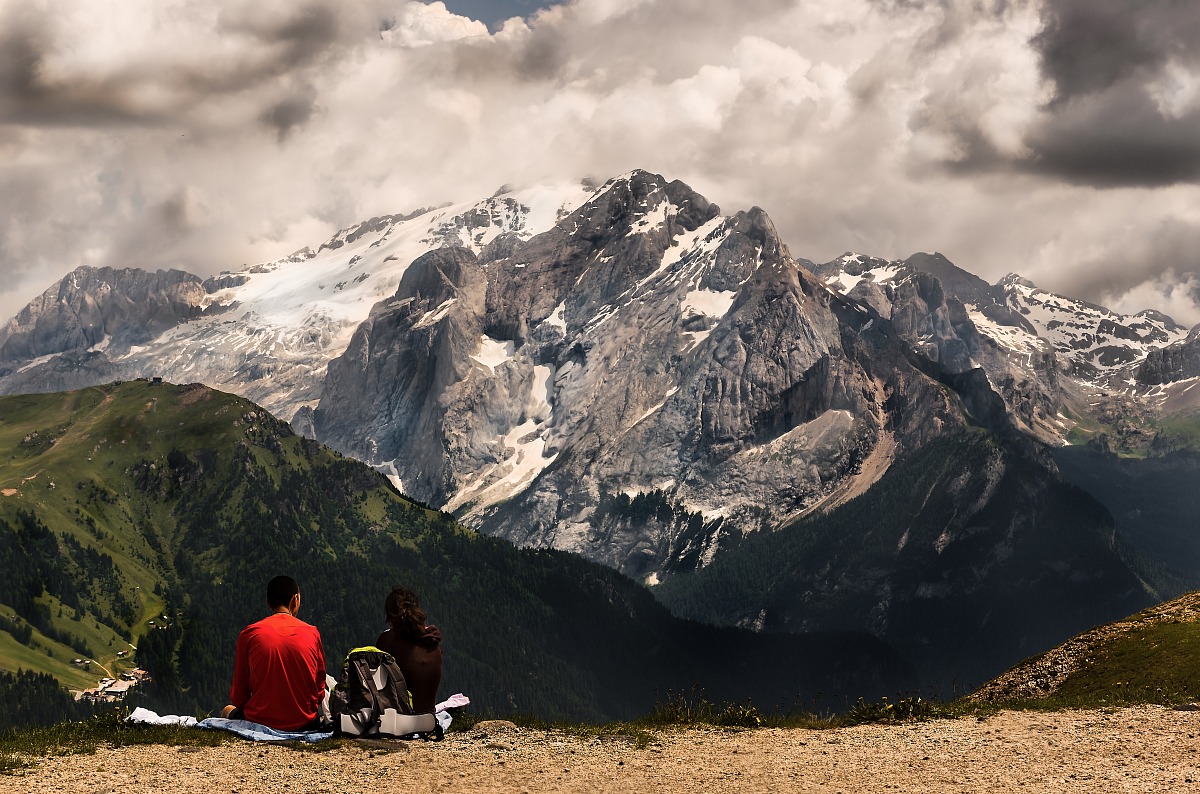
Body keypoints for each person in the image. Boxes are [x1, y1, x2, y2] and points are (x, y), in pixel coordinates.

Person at [221, 575, 326, 731]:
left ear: (269, 602)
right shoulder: (312, 633)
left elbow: (239, 697)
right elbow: (319, 691)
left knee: (226, 710)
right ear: (295, 600)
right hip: (304, 722)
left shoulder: (249, 633)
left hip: (259, 721)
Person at [374, 585, 442, 714]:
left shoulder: (387, 639)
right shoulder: (432, 640)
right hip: (429, 718)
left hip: (402, 719)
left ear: (390, 615)